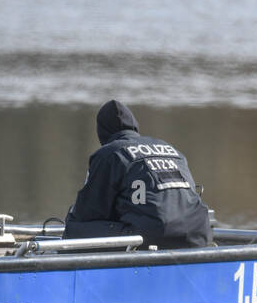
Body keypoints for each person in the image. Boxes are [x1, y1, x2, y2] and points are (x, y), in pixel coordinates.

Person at [64, 100, 213, 248]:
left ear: (101, 132)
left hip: (151, 237)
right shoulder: (172, 150)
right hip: (198, 233)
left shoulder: (111, 153)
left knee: (75, 228)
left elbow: (87, 211)